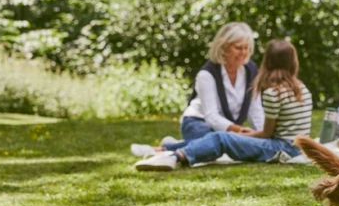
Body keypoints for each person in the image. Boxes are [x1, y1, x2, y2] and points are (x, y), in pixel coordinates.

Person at [136, 39, 312, 170]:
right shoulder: (302, 88)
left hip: (282, 148)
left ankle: (175, 156)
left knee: (221, 138)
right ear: (293, 62)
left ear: (268, 62)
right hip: (296, 147)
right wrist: (247, 133)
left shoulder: (274, 93)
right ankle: (165, 149)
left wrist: (246, 135)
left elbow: (267, 134)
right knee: (222, 138)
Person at [130, 22, 264, 157]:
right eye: (238, 48)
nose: (243, 53)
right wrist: (239, 130)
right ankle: (160, 150)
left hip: (227, 129)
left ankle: (177, 145)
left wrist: (263, 133)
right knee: (215, 147)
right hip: (198, 122)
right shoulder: (207, 75)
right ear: (224, 47)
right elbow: (212, 117)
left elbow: (255, 109)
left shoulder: (251, 72)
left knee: (224, 147)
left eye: (246, 48)